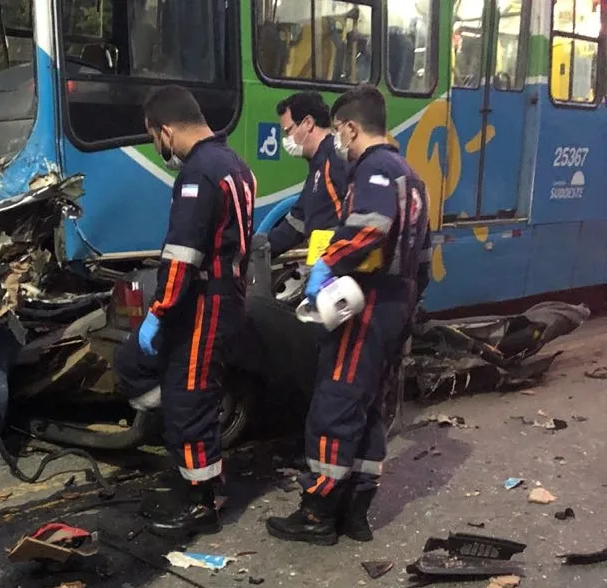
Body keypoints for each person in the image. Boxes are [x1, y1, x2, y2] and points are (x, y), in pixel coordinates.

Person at [265, 83, 432, 546]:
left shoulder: (374, 168)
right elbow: (424, 262)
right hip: (397, 304)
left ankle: (317, 513)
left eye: (340, 131)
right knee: (369, 409)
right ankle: (355, 513)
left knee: (334, 405)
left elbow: (369, 229)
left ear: (352, 127)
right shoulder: (411, 176)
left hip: (367, 304)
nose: (338, 141)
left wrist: (328, 264)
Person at [113, 85, 256, 536]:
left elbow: (182, 255)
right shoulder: (235, 165)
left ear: (167, 131)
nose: (158, 148)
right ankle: (193, 457)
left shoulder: (198, 174)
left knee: (190, 398)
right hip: (224, 299)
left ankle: (203, 503)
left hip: (203, 304)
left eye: (155, 137)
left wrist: (160, 309)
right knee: (173, 388)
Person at [265, 91, 350, 257]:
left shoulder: (336, 157)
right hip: (326, 266)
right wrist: (257, 247)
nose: (286, 139)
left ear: (308, 123)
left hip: (340, 267)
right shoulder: (317, 165)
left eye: (288, 131)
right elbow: (295, 225)